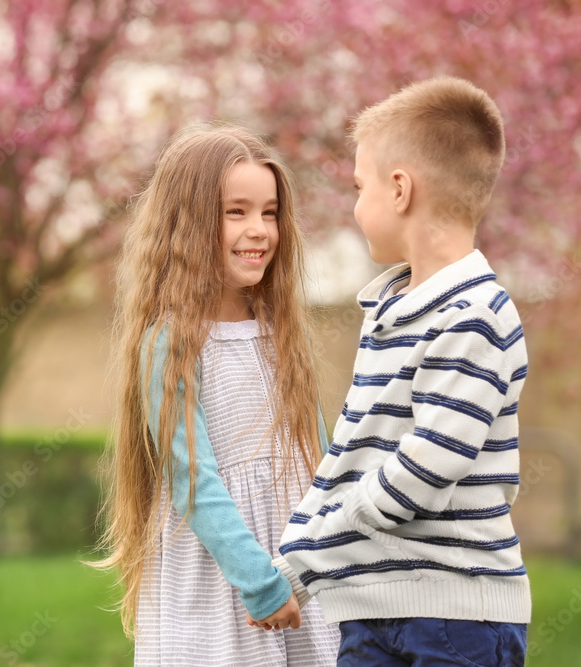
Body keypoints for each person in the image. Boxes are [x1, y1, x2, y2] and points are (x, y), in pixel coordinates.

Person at [278, 76, 530, 666]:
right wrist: (291, 555)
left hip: (457, 617)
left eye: (359, 188)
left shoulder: (475, 317)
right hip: (373, 611)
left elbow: (423, 470)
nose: (354, 206)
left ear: (399, 190)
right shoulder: (391, 312)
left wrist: (311, 558)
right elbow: (353, 450)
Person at [94, 122, 339, 666]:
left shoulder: (281, 334)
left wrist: (313, 564)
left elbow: (318, 464)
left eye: (269, 212)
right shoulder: (172, 342)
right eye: (237, 212)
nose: (259, 230)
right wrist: (258, 580)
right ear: (190, 222)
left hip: (294, 572)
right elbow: (193, 479)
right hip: (221, 578)